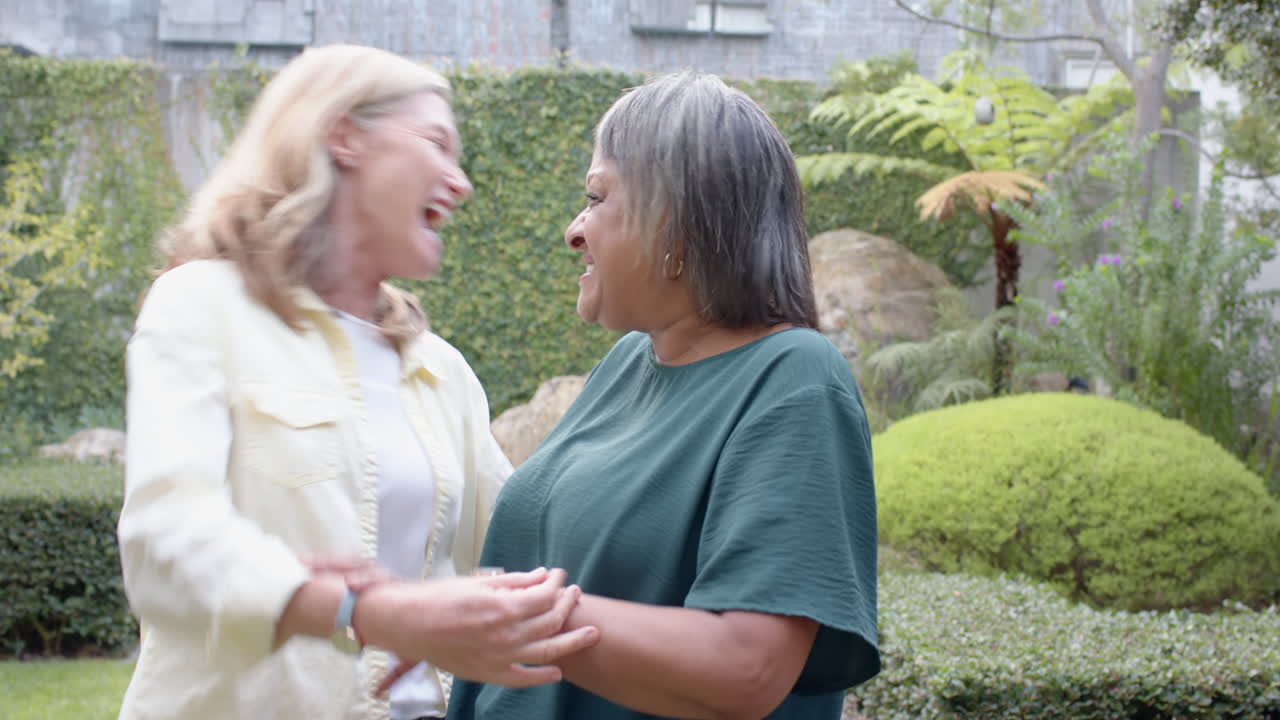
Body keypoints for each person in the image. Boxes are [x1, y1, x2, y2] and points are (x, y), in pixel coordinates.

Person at [115, 44, 597, 720]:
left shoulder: (440, 369)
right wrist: (367, 611)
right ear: (343, 135)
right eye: (436, 143)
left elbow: (527, 546)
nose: (461, 184)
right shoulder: (201, 305)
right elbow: (166, 543)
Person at [444, 72, 880, 720]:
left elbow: (747, 665)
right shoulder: (627, 364)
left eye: (596, 198)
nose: (574, 229)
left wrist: (507, 616)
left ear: (676, 223)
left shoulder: (794, 381)